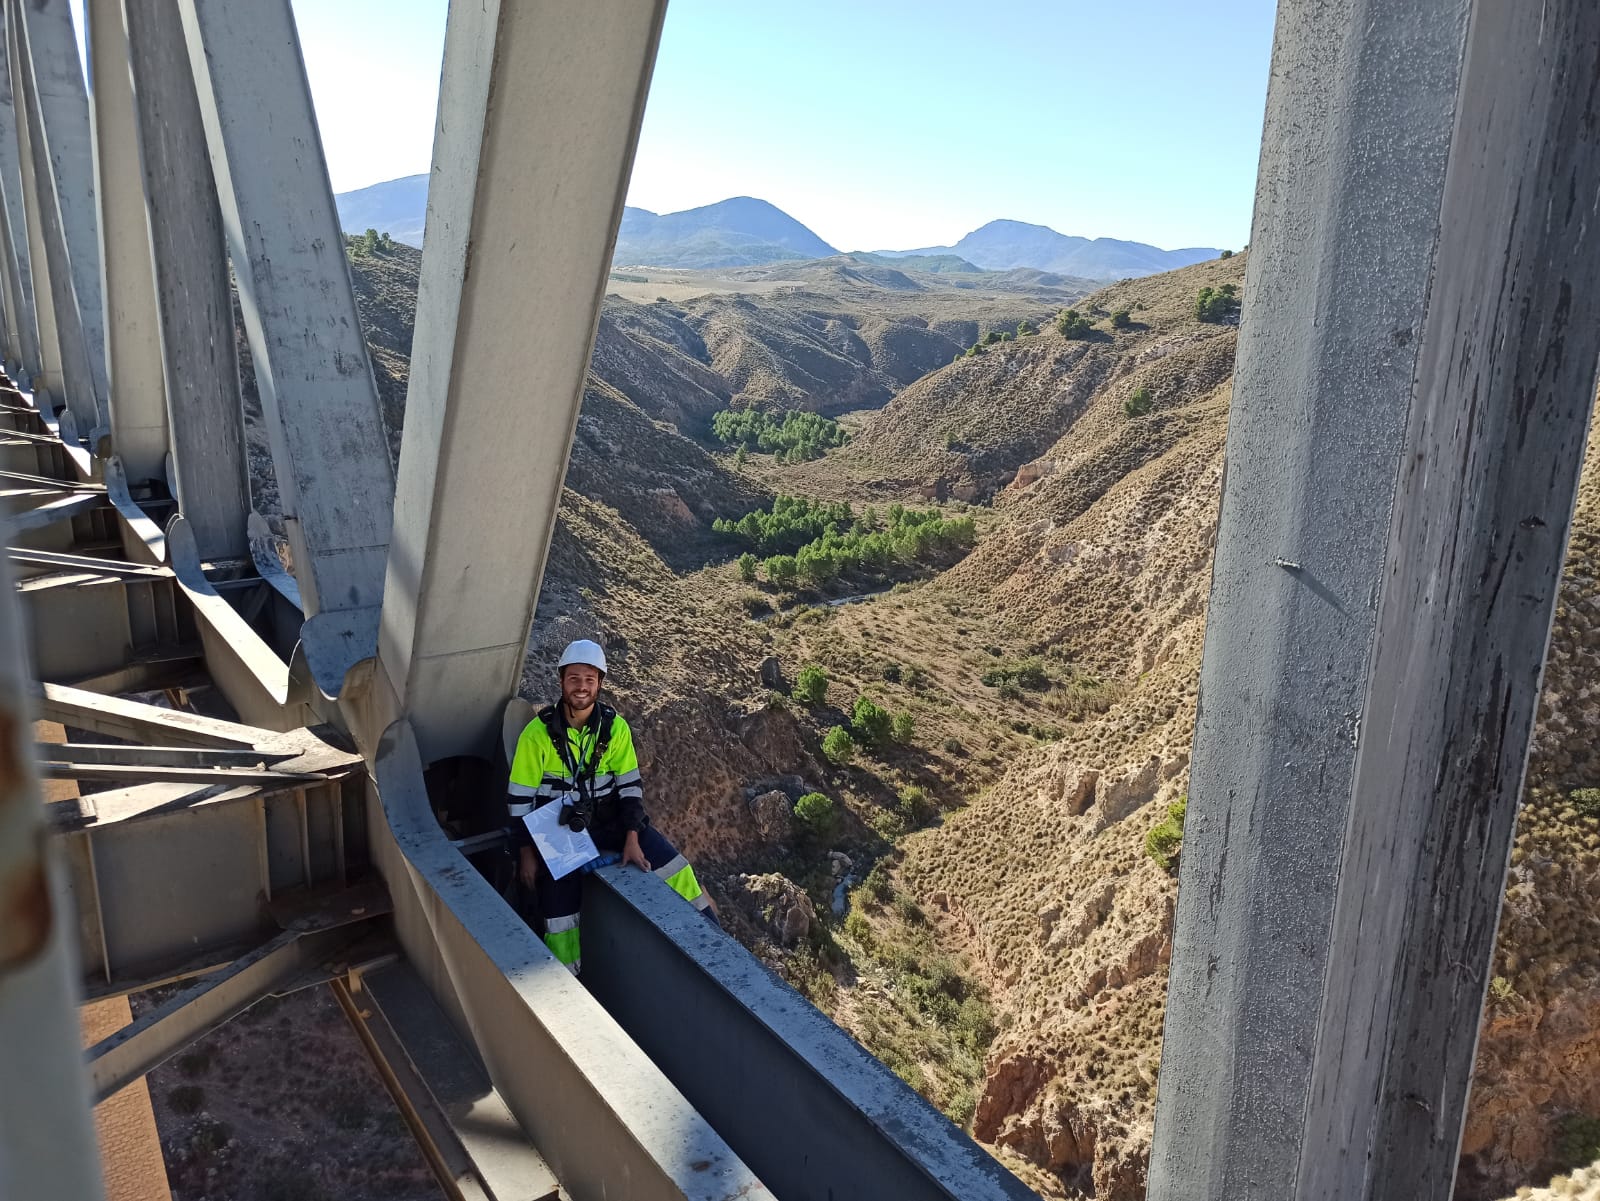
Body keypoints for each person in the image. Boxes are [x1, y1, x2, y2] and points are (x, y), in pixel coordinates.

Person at [506, 639, 714, 974]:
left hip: (611, 820)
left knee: (677, 870)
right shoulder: (537, 734)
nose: (582, 687)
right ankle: (567, 978)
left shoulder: (614, 728)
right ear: (561, 682)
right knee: (559, 908)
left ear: (600, 683)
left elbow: (630, 790)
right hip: (560, 828)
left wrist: (632, 838)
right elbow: (519, 802)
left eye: (589, 680)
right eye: (574, 679)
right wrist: (526, 853)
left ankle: (712, 940)